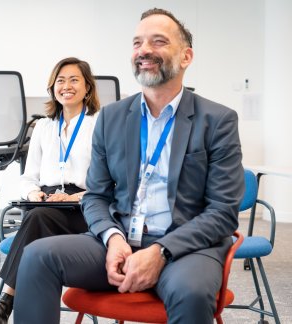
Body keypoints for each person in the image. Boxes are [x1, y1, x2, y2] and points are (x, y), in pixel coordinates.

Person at [13, 8, 244, 324]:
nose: (144, 50)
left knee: (190, 292)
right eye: (137, 43)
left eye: (158, 41)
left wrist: (160, 251)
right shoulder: (112, 117)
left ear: (187, 56)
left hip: (184, 248)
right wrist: (112, 237)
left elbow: (222, 212)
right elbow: (96, 197)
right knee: (37, 257)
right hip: (118, 241)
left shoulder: (216, 120)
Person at [0, 57, 100, 323]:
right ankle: (8, 303)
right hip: (46, 201)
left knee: (37, 219)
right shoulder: (44, 127)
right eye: (60, 80)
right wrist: (33, 193)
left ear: (87, 88)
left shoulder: (98, 125)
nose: (66, 86)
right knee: (37, 214)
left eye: (74, 79)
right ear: (53, 88)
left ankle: (5, 300)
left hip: (82, 206)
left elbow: (108, 183)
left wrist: (75, 196)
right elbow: (28, 177)